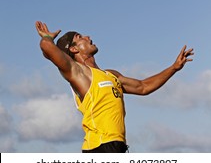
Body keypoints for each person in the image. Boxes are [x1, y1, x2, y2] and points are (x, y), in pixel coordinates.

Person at [35, 21, 194, 153]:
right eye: (80, 37)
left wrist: (173, 68)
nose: (88, 37)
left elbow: (143, 87)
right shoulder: (78, 73)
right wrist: (48, 37)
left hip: (117, 146)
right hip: (99, 146)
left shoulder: (111, 75)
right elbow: (47, 47)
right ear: (73, 48)